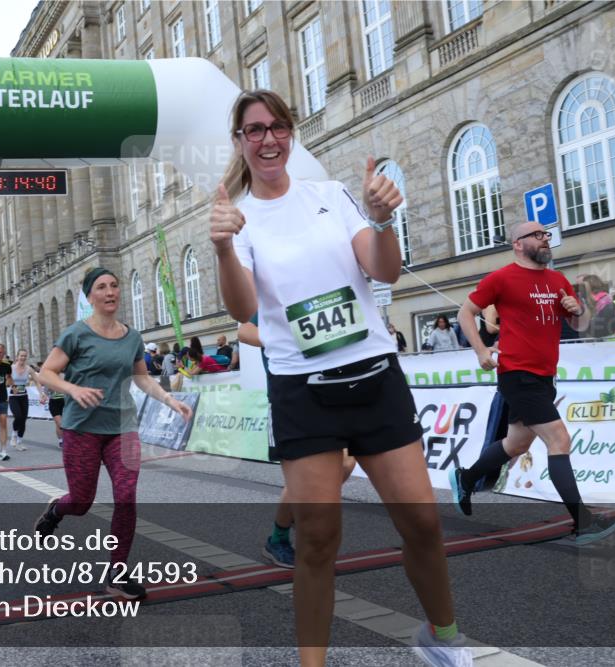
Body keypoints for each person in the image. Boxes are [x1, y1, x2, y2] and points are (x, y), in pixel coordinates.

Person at [210, 90, 468, 666]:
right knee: (318, 542)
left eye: (277, 127)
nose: (268, 139)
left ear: (292, 132)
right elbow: (242, 308)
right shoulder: (240, 217)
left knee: (423, 522)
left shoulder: (330, 196)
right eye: (255, 130)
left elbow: (383, 268)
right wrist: (225, 248)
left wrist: (383, 220)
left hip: (374, 376)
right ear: (240, 141)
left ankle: (442, 639)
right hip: (304, 392)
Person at [451, 221, 615, 546]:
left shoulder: (557, 280)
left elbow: (582, 323)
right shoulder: (501, 278)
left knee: (516, 444)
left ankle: (467, 477)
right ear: (518, 243)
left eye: (546, 235)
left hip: (545, 375)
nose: (545, 240)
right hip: (517, 374)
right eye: (538, 235)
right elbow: (465, 313)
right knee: (559, 440)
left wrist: (577, 311)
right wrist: (480, 352)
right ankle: (582, 522)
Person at [35, 268, 193, 600]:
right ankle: (55, 511)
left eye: (114, 286)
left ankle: (117, 574)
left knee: (126, 496)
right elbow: (47, 373)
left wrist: (169, 399)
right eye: (102, 287)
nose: (110, 292)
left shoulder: (132, 337)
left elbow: (142, 378)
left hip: (123, 428)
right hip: (82, 429)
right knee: (80, 502)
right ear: (90, 296)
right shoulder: (76, 334)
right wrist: (73, 389)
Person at [239, 316, 354, 570]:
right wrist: (289, 339)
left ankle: (304, 515)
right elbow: (245, 331)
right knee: (302, 479)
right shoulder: (273, 284)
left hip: (333, 391)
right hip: (291, 397)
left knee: (345, 464)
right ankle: (278, 538)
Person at [8, 348, 40, 451]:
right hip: (13, 396)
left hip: (23, 396)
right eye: (21, 355)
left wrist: (41, 393)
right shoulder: (11, 368)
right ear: (17, 357)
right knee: (18, 416)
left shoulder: (29, 369)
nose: (23, 357)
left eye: (25, 356)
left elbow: (37, 381)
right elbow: (7, 380)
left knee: (23, 419)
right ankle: (13, 435)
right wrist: (13, 386)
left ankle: (19, 442)